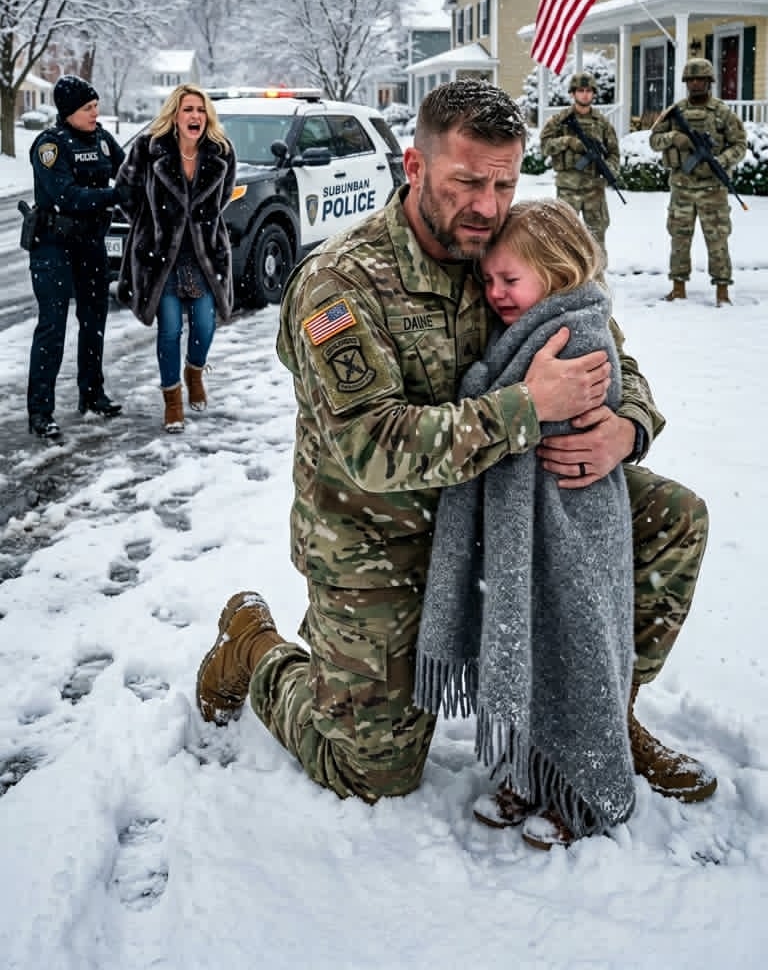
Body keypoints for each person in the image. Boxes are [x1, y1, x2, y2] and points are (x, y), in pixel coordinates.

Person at [196, 80, 715, 816]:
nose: (487, 206)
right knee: (374, 771)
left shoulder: (509, 248)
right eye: (467, 182)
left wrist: (626, 426)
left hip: (505, 502)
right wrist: (529, 407)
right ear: (414, 166)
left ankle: (596, 717)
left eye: (504, 184)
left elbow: (605, 349)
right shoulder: (340, 285)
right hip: (382, 534)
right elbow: (371, 446)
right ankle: (254, 648)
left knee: (673, 518)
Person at [415, 200, 634, 850]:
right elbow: (518, 401)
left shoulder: (575, 334)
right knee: (527, 645)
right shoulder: (525, 328)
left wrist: (627, 428)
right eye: (489, 280)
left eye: (510, 280)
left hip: (573, 526)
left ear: (559, 272)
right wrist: (514, 395)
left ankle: (582, 787)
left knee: (576, 653)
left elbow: (591, 395)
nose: (495, 293)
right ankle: (527, 768)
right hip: (524, 526)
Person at [115, 84, 236, 431]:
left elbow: (223, 197)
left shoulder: (221, 152)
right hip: (159, 256)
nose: (195, 116)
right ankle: (173, 402)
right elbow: (125, 191)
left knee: (205, 326)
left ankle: (194, 371)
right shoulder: (148, 149)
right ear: (175, 115)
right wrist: (149, 224)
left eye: (200, 110)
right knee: (169, 329)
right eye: (188, 110)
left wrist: (199, 224)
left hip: (203, 255)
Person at [26, 75, 125, 441]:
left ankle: (92, 393)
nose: (95, 113)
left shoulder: (102, 140)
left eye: (96, 106)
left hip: (90, 244)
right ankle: (40, 412)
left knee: (94, 320)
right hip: (53, 245)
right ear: (68, 112)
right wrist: (114, 196)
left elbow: (128, 169)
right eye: (87, 108)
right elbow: (67, 195)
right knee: (52, 327)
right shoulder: (50, 145)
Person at [648, 57, 747, 306]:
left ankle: (722, 291)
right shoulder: (675, 112)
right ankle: (678, 287)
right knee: (679, 239)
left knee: (718, 240)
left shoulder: (722, 112)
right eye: (691, 79)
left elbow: (739, 145)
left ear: (709, 81)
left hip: (713, 189)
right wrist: (674, 137)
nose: (695, 83)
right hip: (682, 187)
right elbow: (654, 140)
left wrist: (722, 160)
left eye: (700, 79)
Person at [539, 72, 621, 251]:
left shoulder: (602, 123)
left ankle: (597, 269)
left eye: (589, 91)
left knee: (597, 240)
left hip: (595, 190)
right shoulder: (560, 121)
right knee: (565, 238)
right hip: (568, 189)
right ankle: (568, 270)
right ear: (573, 93)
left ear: (593, 93)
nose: (585, 94)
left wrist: (608, 170)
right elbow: (544, 146)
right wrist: (567, 141)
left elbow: (614, 154)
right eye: (581, 90)